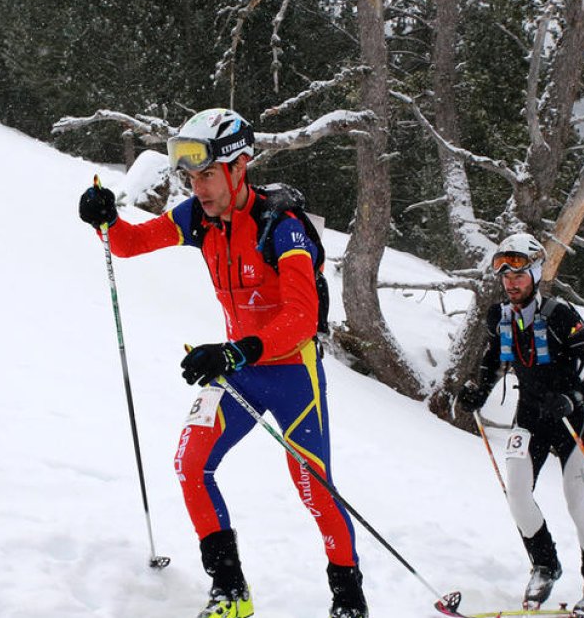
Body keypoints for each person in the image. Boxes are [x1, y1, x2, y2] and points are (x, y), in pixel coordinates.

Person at [77, 108, 367, 618]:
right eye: (191, 176)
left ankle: (349, 600)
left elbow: (301, 319)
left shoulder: (283, 226)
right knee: (191, 465)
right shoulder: (197, 217)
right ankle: (231, 590)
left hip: (292, 374)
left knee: (312, 487)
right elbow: (129, 244)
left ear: (240, 167)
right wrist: (106, 217)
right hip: (238, 371)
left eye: (207, 174)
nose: (198, 187)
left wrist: (237, 351)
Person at [457, 233, 584, 618]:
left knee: (578, 504)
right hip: (528, 417)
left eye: (519, 273)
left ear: (536, 273)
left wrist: (574, 397)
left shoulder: (560, 314)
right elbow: (494, 358)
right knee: (517, 495)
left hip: (567, 417)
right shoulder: (500, 316)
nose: (511, 281)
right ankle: (545, 564)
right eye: (504, 273)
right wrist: (479, 389)